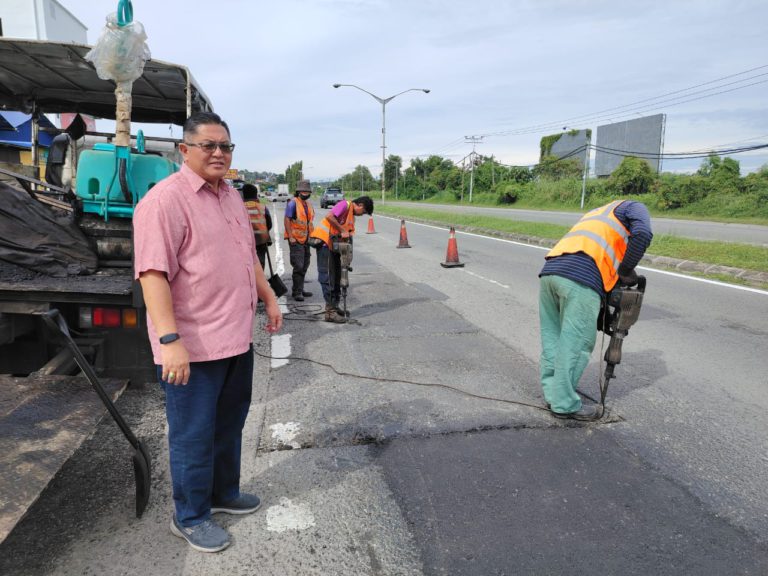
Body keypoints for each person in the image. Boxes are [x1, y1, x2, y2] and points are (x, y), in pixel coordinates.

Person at [133, 111, 283, 553]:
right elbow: (153, 274)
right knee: (193, 434)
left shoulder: (231, 196)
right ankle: (192, 515)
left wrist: (269, 297)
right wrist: (169, 340)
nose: (219, 153)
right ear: (185, 150)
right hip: (192, 346)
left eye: (226, 146)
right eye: (209, 146)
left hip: (235, 338)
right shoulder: (165, 201)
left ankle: (223, 494)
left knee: (229, 424)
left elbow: (246, 256)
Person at [539, 199, 652, 421]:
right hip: (580, 279)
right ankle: (563, 405)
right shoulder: (634, 207)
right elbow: (643, 234)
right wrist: (626, 270)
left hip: (550, 273)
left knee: (553, 340)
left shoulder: (597, 212)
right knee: (576, 342)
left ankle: (553, 395)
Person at [309, 195, 374, 323]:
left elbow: (348, 237)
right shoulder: (345, 205)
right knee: (327, 277)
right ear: (360, 205)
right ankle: (330, 313)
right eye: (364, 212)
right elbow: (329, 216)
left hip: (334, 248)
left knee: (337, 277)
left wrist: (347, 256)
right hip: (324, 244)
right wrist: (342, 229)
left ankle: (335, 306)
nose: (362, 214)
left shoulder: (351, 217)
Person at [283, 179, 315, 301]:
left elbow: (309, 223)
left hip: (307, 240)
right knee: (299, 266)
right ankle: (296, 292)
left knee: (305, 265)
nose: (305, 193)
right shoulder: (293, 203)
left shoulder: (309, 205)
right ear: (298, 191)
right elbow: (287, 220)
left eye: (307, 191)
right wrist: (290, 236)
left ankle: (300, 289)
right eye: (303, 191)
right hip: (295, 239)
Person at [242, 183, 272, 269]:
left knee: (246, 263)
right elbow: (269, 224)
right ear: (256, 195)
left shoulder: (239, 206)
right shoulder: (262, 207)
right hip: (261, 240)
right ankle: (260, 279)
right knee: (260, 261)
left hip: (244, 241)